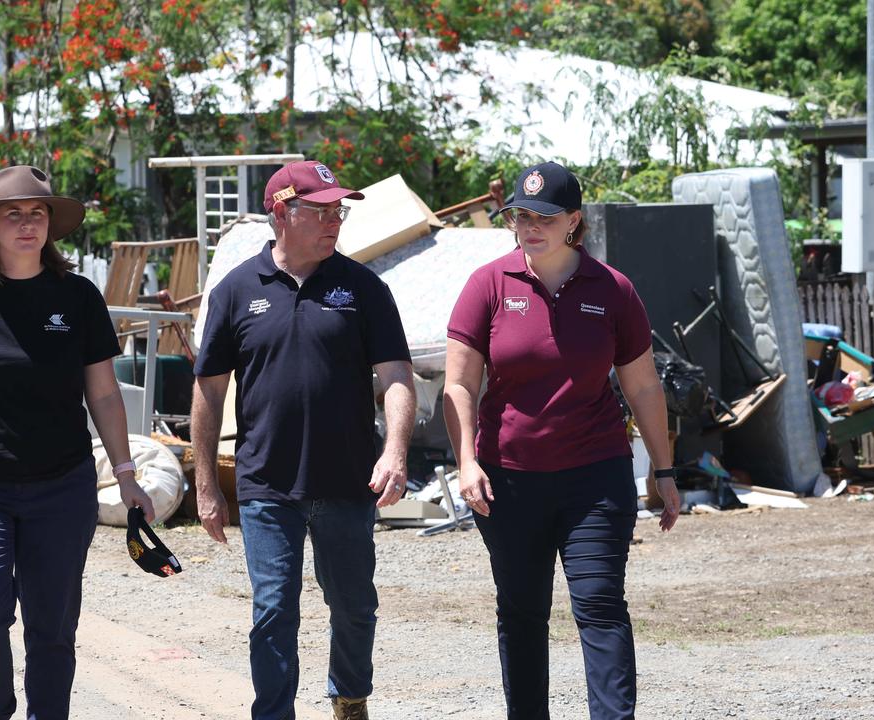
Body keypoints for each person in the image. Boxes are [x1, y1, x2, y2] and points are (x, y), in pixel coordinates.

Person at [0, 165, 155, 720]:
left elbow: (105, 396)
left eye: (36, 213)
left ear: (49, 225)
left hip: (62, 486)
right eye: (12, 213)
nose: (26, 224)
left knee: (53, 625)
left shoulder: (78, 297)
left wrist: (127, 474)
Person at [443, 161, 681, 720]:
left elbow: (643, 387)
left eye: (545, 215)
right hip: (507, 480)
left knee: (599, 605)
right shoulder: (488, 285)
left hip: (594, 476)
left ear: (573, 220)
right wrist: (466, 461)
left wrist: (665, 471)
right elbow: (457, 384)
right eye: (521, 215)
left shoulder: (613, 290)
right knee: (522, 612)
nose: (530, 225)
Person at [192, 160, 416, 720]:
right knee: (273, 609)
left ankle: (349, 695)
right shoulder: (235, 291)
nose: (334, 221)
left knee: (355, 606)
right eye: (321, 210)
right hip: (267, 483)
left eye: (338, 210)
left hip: (347, 481)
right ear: (281, 212)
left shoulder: (363, 288)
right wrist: (205, 486)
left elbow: (396, 378)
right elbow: (207, 393)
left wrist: (394, 450)